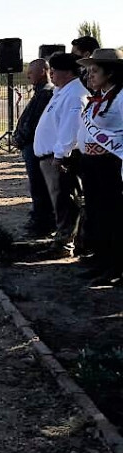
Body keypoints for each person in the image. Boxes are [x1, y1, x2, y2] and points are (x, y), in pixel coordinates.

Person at [33, 52, 89, 258]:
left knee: (65, 201)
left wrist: (59, 155)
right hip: (50, 157)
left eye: (54, 71)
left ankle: (66, 244)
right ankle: (63, 239)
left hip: (61, 158)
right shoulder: (62, 92)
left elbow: (71, 128)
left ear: (65, 72)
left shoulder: (75, 95)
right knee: (59, 201)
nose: (52, 76)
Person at [75, 48, 123, 286]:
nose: (89, 76)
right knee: (96, 214)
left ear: (111, 72)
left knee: (112, 216)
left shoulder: (121, 97)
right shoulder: (99, 97)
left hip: (111, 166)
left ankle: (115, 266)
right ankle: (101, 260)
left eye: (95, 71)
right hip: (91, 164)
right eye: (88, 71)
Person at [12, 58, 56, 236]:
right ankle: (39, 218)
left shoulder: (46, 93)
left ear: (43, 72)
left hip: (35, 147)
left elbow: (35, 123)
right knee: (36, 185)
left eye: (31, 71)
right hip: (30, 146)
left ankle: (42, 223)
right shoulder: (39, 92)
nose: (28, 75)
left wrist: (20, 139)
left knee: (39, 186)